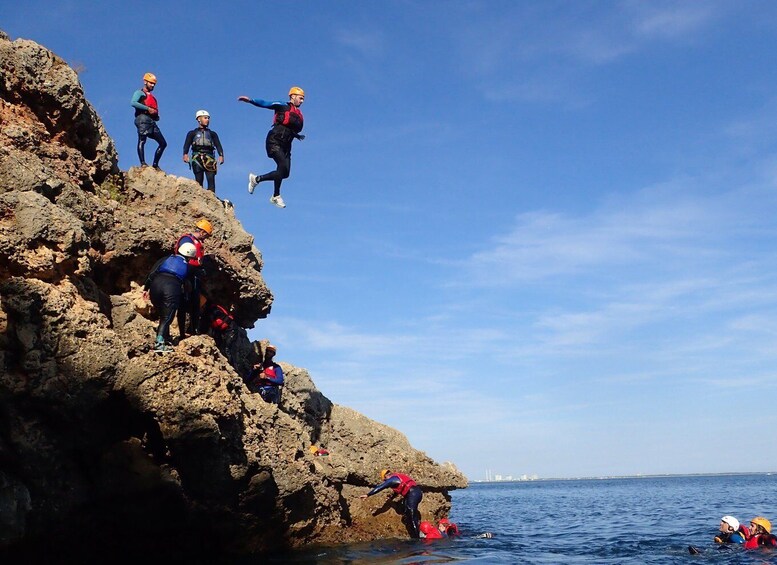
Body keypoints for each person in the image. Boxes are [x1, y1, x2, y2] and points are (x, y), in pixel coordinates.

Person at [238, 86, 306, 209]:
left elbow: (290, 127)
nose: (302, 101)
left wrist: (297, 135)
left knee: (285, 173)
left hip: (287, 145)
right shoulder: (282, 105)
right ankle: (276, 195)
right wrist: (250, 100)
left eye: (303, 99)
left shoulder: (299, 114)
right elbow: (266, 103)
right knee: (282, 167)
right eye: (300, 98)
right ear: (292, 96)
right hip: (274, 140)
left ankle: (257, 179)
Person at [143, 242, 198, 352]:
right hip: (171, 287)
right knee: (167, 317)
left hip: (155, 285)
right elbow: (190, 286)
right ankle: (159, 343)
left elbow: (152, 274)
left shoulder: (165, 259)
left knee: (162, 312)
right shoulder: (189, 267)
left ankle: (165, 337)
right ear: (190, 256)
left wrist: (145, 288)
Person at [174, 219, 213, 339]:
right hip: (186, 273)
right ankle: (182, 332)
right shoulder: (187, 239)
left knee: (196, 303)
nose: (205, 238)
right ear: (202, 232)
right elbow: (184, 257)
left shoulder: (196, 242)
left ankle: (194, 330)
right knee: (184, 303)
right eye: (206, 235)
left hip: (194, 275)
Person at [359, 469, 423, 539]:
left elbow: (380, 487)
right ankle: (416, 531)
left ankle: (417, 539)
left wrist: (368, 495)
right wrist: (392, 498)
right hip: (416, 493)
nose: (385, 481)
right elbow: (399, 490)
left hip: (413, 494)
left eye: (385, 480)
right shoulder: (396, 478)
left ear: (386, 476)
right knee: (407, 513)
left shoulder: (391, 480)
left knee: (411, 515)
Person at [130, 72, 167, 169]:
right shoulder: (139, 93)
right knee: (142, 139)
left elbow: (154, 111)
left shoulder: (153, 98)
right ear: (145, 82)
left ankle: (155, 164)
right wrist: (147, 109)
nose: (153, 85)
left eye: (154, 83)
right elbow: (133, 102)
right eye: (151, 83)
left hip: (151, 121)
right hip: (142, 118)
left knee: (163, 143)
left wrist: (156, 115)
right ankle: (143, 163)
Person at [183, 110, 225, 193]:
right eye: (205, 118)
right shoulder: (192, 133)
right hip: (197, 158)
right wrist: (185, 154)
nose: (207, 120)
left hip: (209, 158)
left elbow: (218, 145)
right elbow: (186, 144)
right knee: (198, 181)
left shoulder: (212, 134)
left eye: (208, 118)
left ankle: (212, 198)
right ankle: (199, 198)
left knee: (211, 180)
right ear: (199, 119)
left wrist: (221, 155)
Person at [199, 297, 240, 368]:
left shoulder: (211, 310)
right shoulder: (212, 308)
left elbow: (204, 325)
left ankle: (231, 367)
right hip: (222, 330)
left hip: (231, 329)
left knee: (227, 348)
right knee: (220, 346)